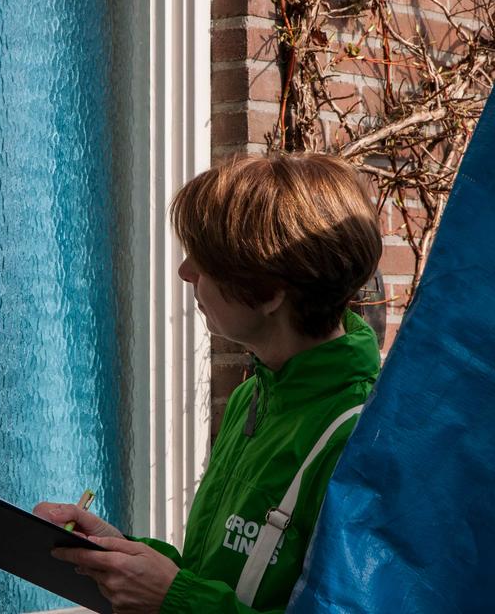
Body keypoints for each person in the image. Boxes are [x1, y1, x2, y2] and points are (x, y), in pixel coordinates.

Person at [36, 153, 382, 613]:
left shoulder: (361, 437)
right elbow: (219, 579)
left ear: (269, 291)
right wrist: (118, 554)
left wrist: (173, 598)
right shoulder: (254, 395)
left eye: (205, 259)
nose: (185, 272)